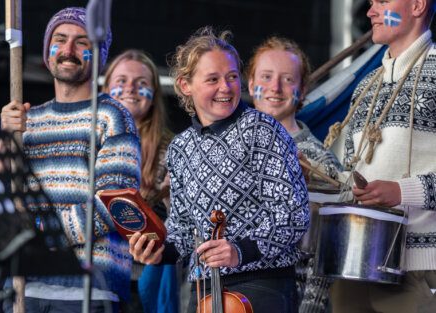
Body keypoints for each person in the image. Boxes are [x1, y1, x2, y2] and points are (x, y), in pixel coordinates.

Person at [128, 26, 309, 313]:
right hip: (203, 291)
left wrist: (240, 250)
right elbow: (184, 231)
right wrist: (157, 251)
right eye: (213, 79)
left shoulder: (261, 129)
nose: (226, 87)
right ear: (186, 85)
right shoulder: (181, 147)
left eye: (232, 77)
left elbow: (293, 213)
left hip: (260, 285)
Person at [0, 7, 140, 313]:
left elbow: (116, 204)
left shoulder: (112, 116)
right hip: (24, 286)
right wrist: (5, 142)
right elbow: (1, 199)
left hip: (89, 286)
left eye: (82, 43)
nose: (67, 50)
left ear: (100, 56)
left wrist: (40, 234)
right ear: (48, 52)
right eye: (60, 39)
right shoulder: (26, 121)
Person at [323, 0, 436, 312]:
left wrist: (401, 191)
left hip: (419, 269)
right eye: (371, 3)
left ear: (417, 5)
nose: (371, 11)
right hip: (355, 264)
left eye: (382, 2)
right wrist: (320, 178)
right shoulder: (365, 88)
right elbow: (349, 174)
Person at [245, 36, 342, 313]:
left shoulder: (322, 163)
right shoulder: (227, 148)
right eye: (266, 76)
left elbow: (326, 253)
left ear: (302, 89)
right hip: (229, 297)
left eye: (288, 79)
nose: (275, 87)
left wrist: (310, 307)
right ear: (251, 84)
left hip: (291, 300)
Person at [102, 49, 178, 313]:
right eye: (121, 81)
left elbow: (183, 228)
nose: (130, 88)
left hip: (143, 285)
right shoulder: (86, 141)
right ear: (106, 88)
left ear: (154, 95)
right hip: (94, 280)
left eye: (141, 83)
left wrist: (171, 199)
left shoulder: (174, 150)